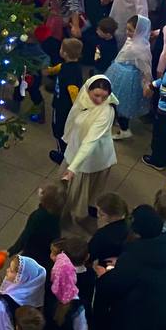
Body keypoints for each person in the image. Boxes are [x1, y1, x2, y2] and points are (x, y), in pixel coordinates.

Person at [60, 76, 118, 225]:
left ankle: (73, 217)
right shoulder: (83, 99)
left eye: (104, 97)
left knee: (78, 194)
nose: (99, 100)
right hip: (76, 150)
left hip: (91, 158)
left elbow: (90, 141)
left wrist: (73, 167)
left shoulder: (106, 111)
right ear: (87, 90)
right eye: (96, 95)